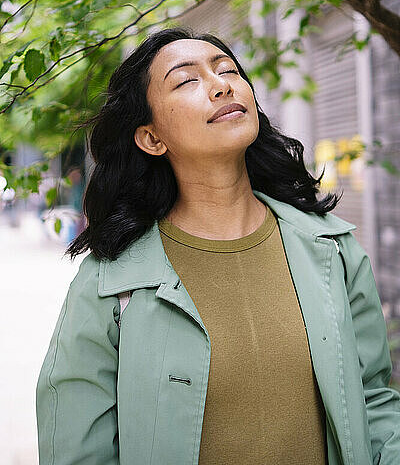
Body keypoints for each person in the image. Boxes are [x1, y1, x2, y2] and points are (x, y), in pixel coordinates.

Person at [35, 26, 400, 465]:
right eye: (187, 80)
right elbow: (77, 449)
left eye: (227, 69)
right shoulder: (110, 282)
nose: (221, 84)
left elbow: (376, 404)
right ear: (151, 137)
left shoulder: (332, 250)